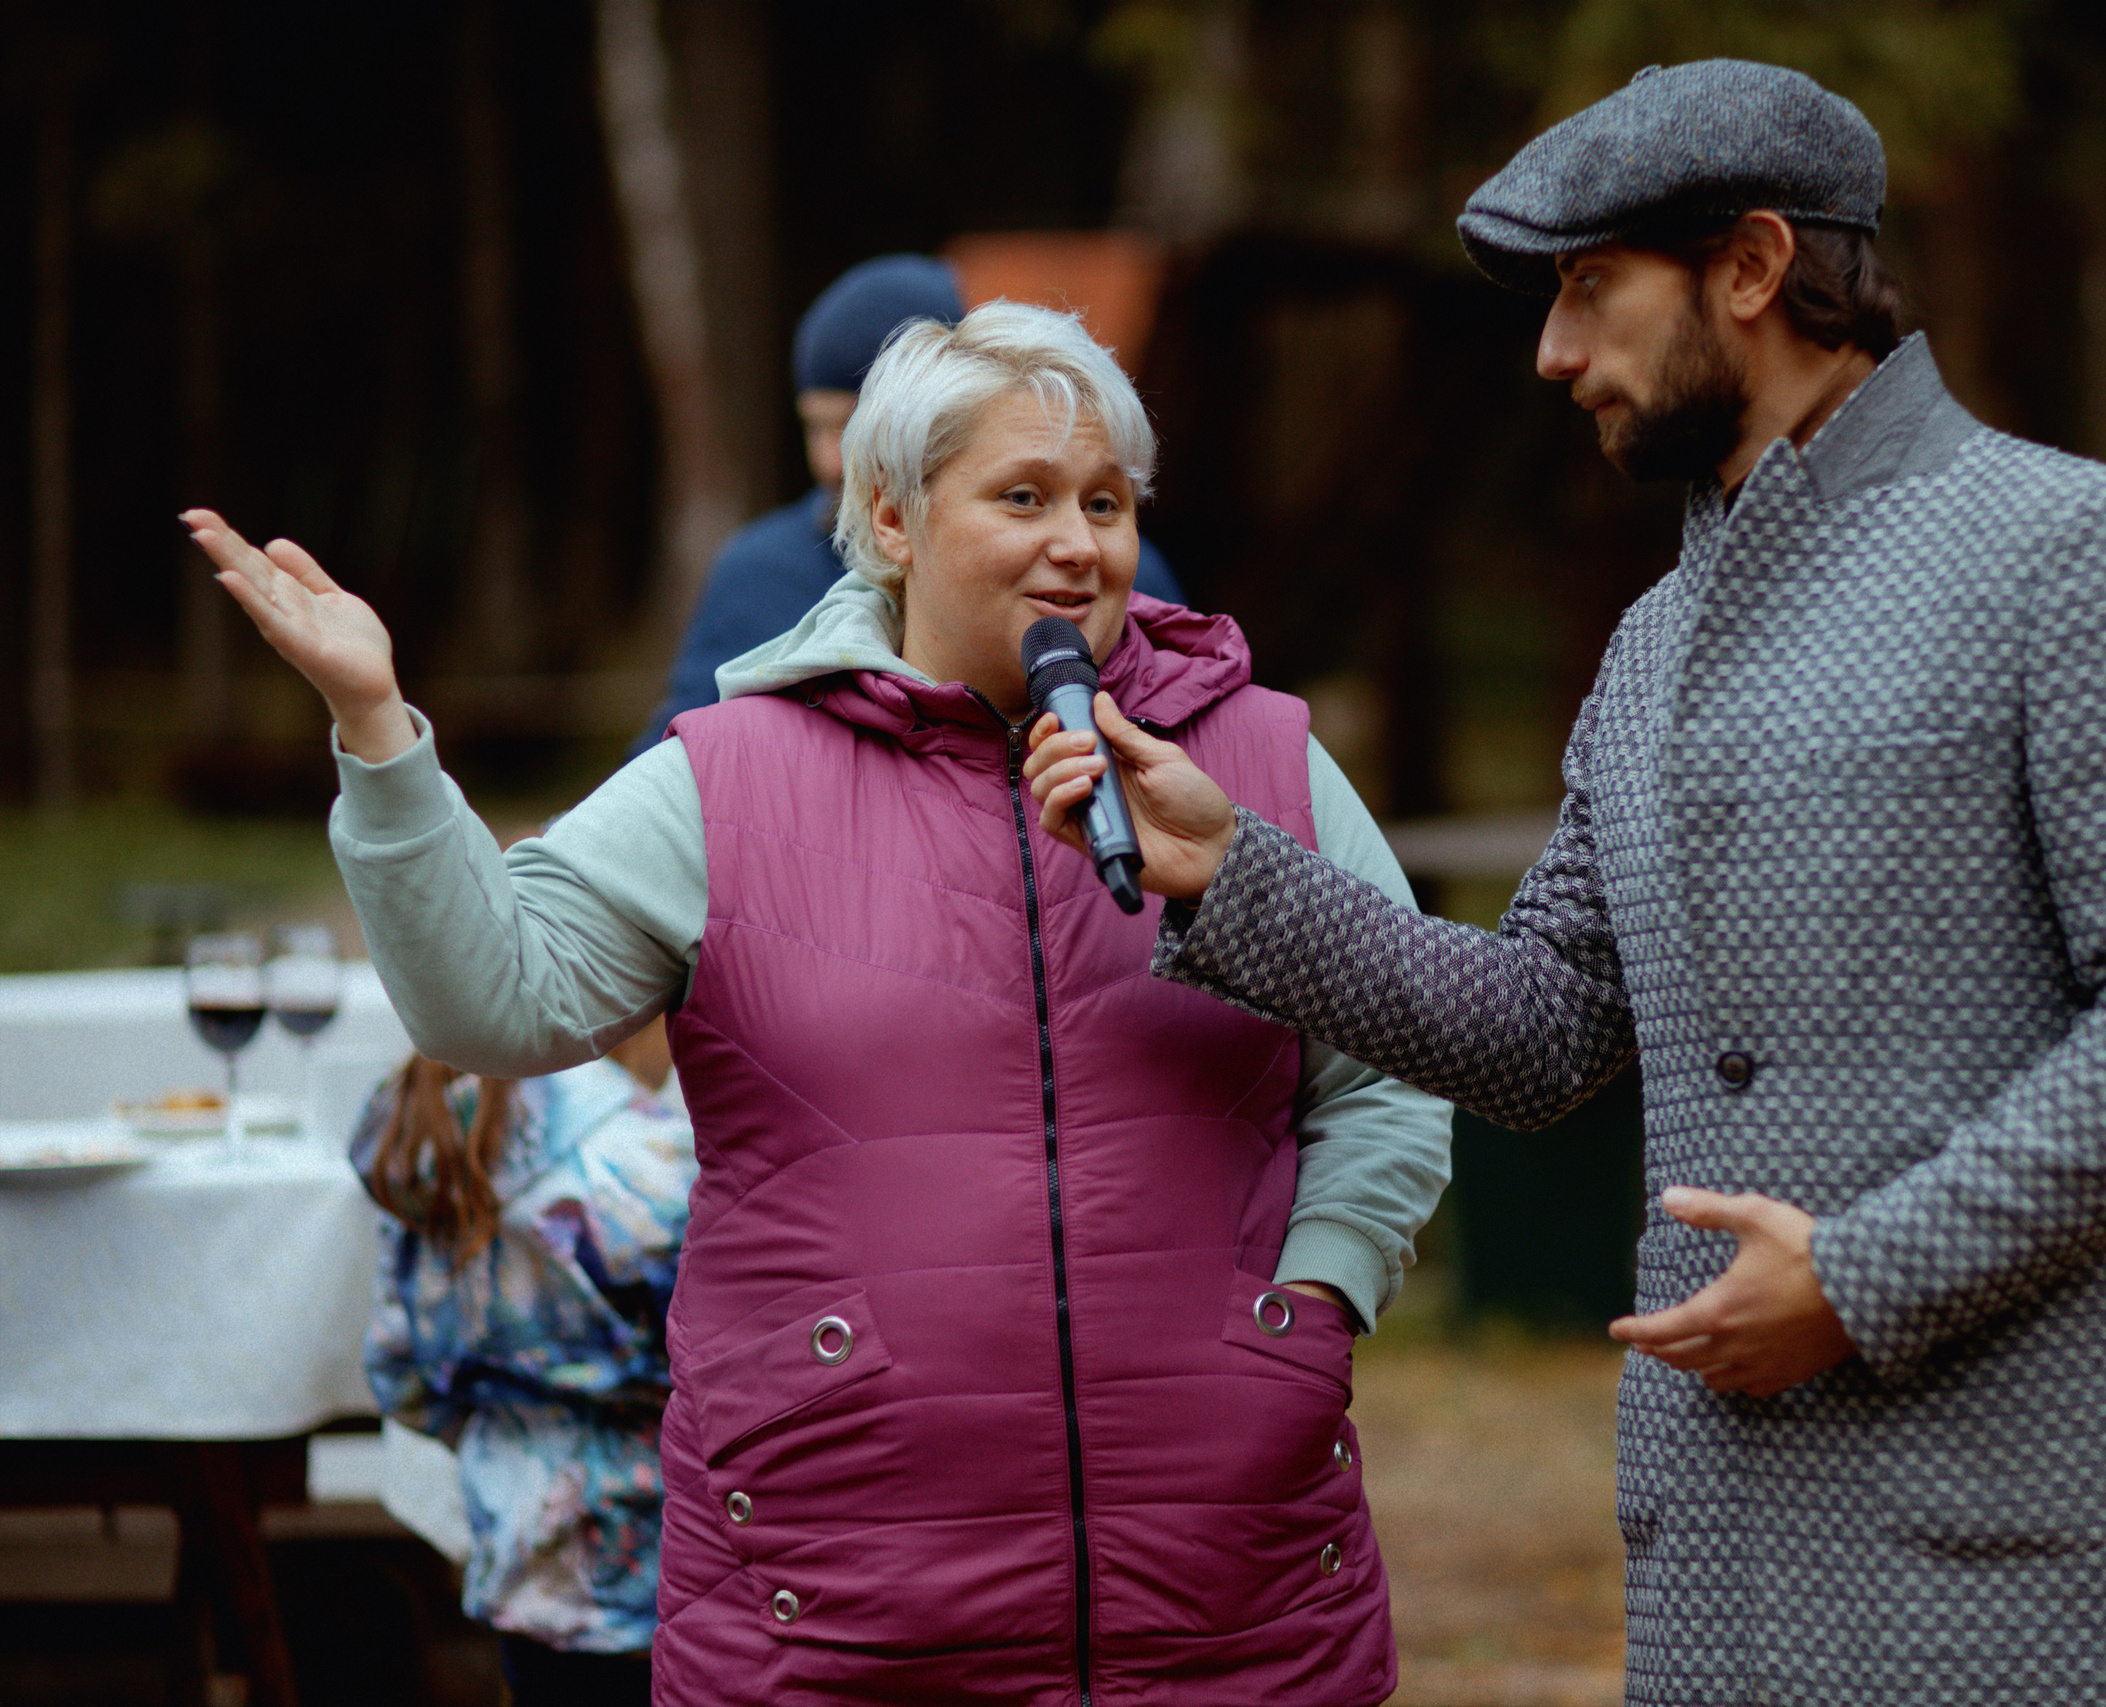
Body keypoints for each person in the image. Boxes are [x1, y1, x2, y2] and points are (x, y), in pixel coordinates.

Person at [1026, 59, 2106, 1706]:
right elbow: (1545, 1025)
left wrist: (1865, 1277)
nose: (1554, 354)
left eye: (1591, 289)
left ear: (1753, 267)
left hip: (2007, 1562)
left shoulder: (2081, 549)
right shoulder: (1654, 642)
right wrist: (1232, 871)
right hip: (1718, 1571)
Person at [184, 298, 1448, 1705]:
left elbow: (1398, 1057)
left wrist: (1312, 1298)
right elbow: (493, 1004)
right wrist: (377, 729)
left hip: (1230, 1597)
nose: (1079, 542)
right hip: (839, 1603)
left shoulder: (1258, 756)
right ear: (892, 518)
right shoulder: (732, 774)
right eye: (1022, 496)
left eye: (1105, 501)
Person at [632, 253, 1184, 753]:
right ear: (890, 519)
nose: (834, 461)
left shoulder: (1114, 577)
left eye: (856, 429)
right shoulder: (758, 571)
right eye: (818, 426)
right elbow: (680, 751)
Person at [350, 1017, 692, 1706]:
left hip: (517, 1554)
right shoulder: (657, 1162)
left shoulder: (429, 1138)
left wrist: (511, 1440)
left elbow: (398, 1370)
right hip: (659, 1566)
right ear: (634, 1002)